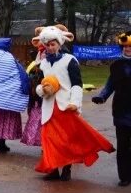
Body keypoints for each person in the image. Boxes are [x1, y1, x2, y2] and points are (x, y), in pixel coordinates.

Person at [34, 25, 114, 181]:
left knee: (66, 140)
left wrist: (75, 103)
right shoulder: (43, 64)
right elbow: (38, 84)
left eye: (53, 44)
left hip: (65, 107)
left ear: (59, 43)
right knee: (49, 140)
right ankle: (53, 169)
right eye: (48, 45)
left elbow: (77, 84)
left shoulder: (70, 60)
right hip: (49, 107)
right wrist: (42, 90)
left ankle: (67, 169)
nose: (50, 48)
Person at [92, 31, 131, 187]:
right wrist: (102, 96)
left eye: (130, 46)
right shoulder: (117, 64)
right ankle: (124, 176)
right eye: (126, 46)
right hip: (121, 109)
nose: (128, 49)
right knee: (122, 144)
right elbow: (110, 84)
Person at [21, 35, 46, 147]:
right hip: (37, 96)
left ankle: (45, 143)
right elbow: (29, 75)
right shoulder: (35, 63)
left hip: (44, 95)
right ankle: (43, 143)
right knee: (38, 119)